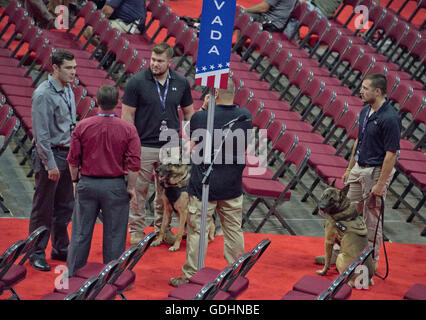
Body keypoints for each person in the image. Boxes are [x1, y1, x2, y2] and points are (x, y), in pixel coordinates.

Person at [169, 78, 253, 287]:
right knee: (233, 230)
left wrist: (206, 108)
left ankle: (191, 276)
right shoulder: (245, 116)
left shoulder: (201, 117)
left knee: (198, 231)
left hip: (204, 184)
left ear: (214, 94)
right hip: (232, 184)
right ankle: (236, 275)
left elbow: (191, 137)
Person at [317, 74, 401, 269]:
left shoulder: (390, 118)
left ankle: (369, 262)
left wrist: (380, 184)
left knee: (371, 221)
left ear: (378, 91)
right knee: (344, 212)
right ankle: (340, 253)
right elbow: (358, 141)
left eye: (365, 88)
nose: (361, 91)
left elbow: (391, 155)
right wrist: (349, 167)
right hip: (358, 167)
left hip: (375, 171)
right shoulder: (365, 111)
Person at [121, 42, 195, 245]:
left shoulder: (181, 82)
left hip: (170, 147)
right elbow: (127, 114)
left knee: (166, 192)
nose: (155, 64)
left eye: (160, 61)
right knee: (139, 190)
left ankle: (161, 230)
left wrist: (189, 140)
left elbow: (189, 112)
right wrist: (131, 144)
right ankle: (136, 230)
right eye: (153, 59)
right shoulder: (137, 82)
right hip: (143, 145)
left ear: (169, 62)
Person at [66, 85, 141, 277]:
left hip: (88, 183)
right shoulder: (128, 129)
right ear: (117, 103)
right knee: (115, 235)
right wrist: (131, 188)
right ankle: (111, 278)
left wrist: (75, 182)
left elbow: (73, 160)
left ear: (97, 101)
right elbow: (134, 164)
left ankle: (73, 275)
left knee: (80, 233)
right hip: (115, 185)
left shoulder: (82, 126)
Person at [28, 49, 77, 271]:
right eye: (68, 68)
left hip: (66, 154)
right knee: (43, 208)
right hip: (51, 155)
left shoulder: (69, 90)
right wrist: (50, 164)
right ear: (55, 68)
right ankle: (35, 252)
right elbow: (41, 135)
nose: (73, 72)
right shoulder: (43, 94)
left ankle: (59, 247)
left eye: (74, 68)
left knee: (65, 206)